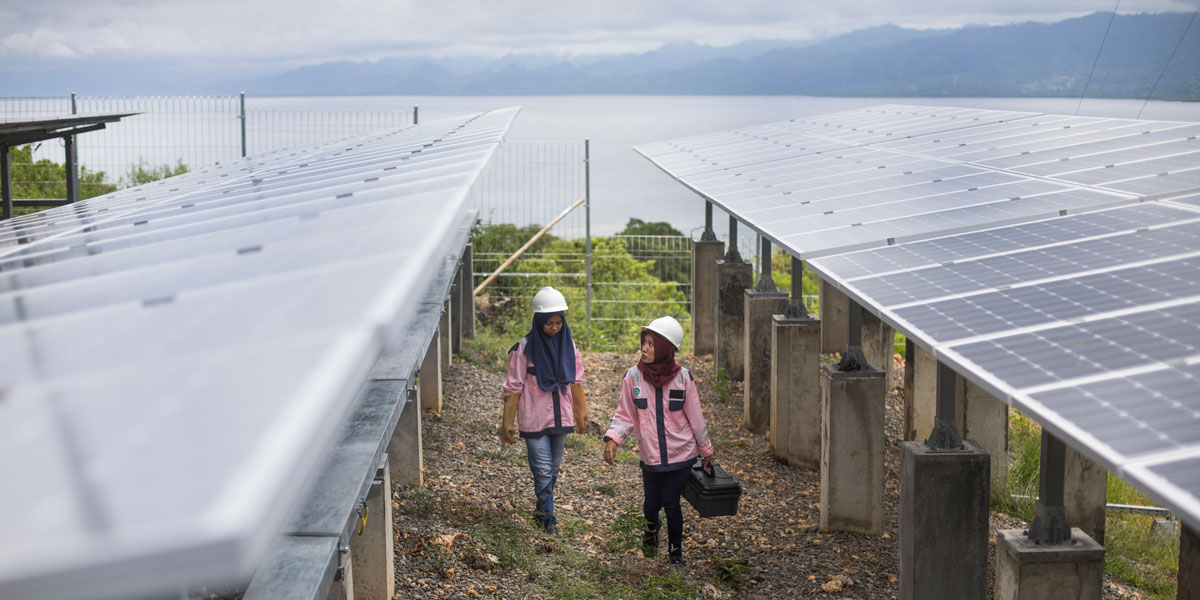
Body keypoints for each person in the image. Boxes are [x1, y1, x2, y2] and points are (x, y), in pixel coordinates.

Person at [603, 316, 714, 565]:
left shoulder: (684, 379)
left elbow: (696, 418)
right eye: (644, 342)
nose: (644, 348)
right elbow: (625, 415)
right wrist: (613, 439)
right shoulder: (632, 378)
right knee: (651, 504)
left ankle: (675, 554)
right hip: (651, 455)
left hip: (682, 456)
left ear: (666, 347)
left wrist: (705, 449)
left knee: (671, 502)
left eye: (651, 344)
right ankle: (651, 529)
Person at [500, 286, 588, 535]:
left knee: (554, 469)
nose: (554, 327)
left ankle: (541, 511)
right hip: (534, 419)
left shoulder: (568, 346)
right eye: (549, 322)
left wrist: (581, 414)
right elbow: (513, 388)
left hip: (560, 417)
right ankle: (549, 519)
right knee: (543, 469)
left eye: (558, 322)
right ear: (539, 322)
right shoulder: (524, 350)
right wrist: (507, 423)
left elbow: (576, 382)